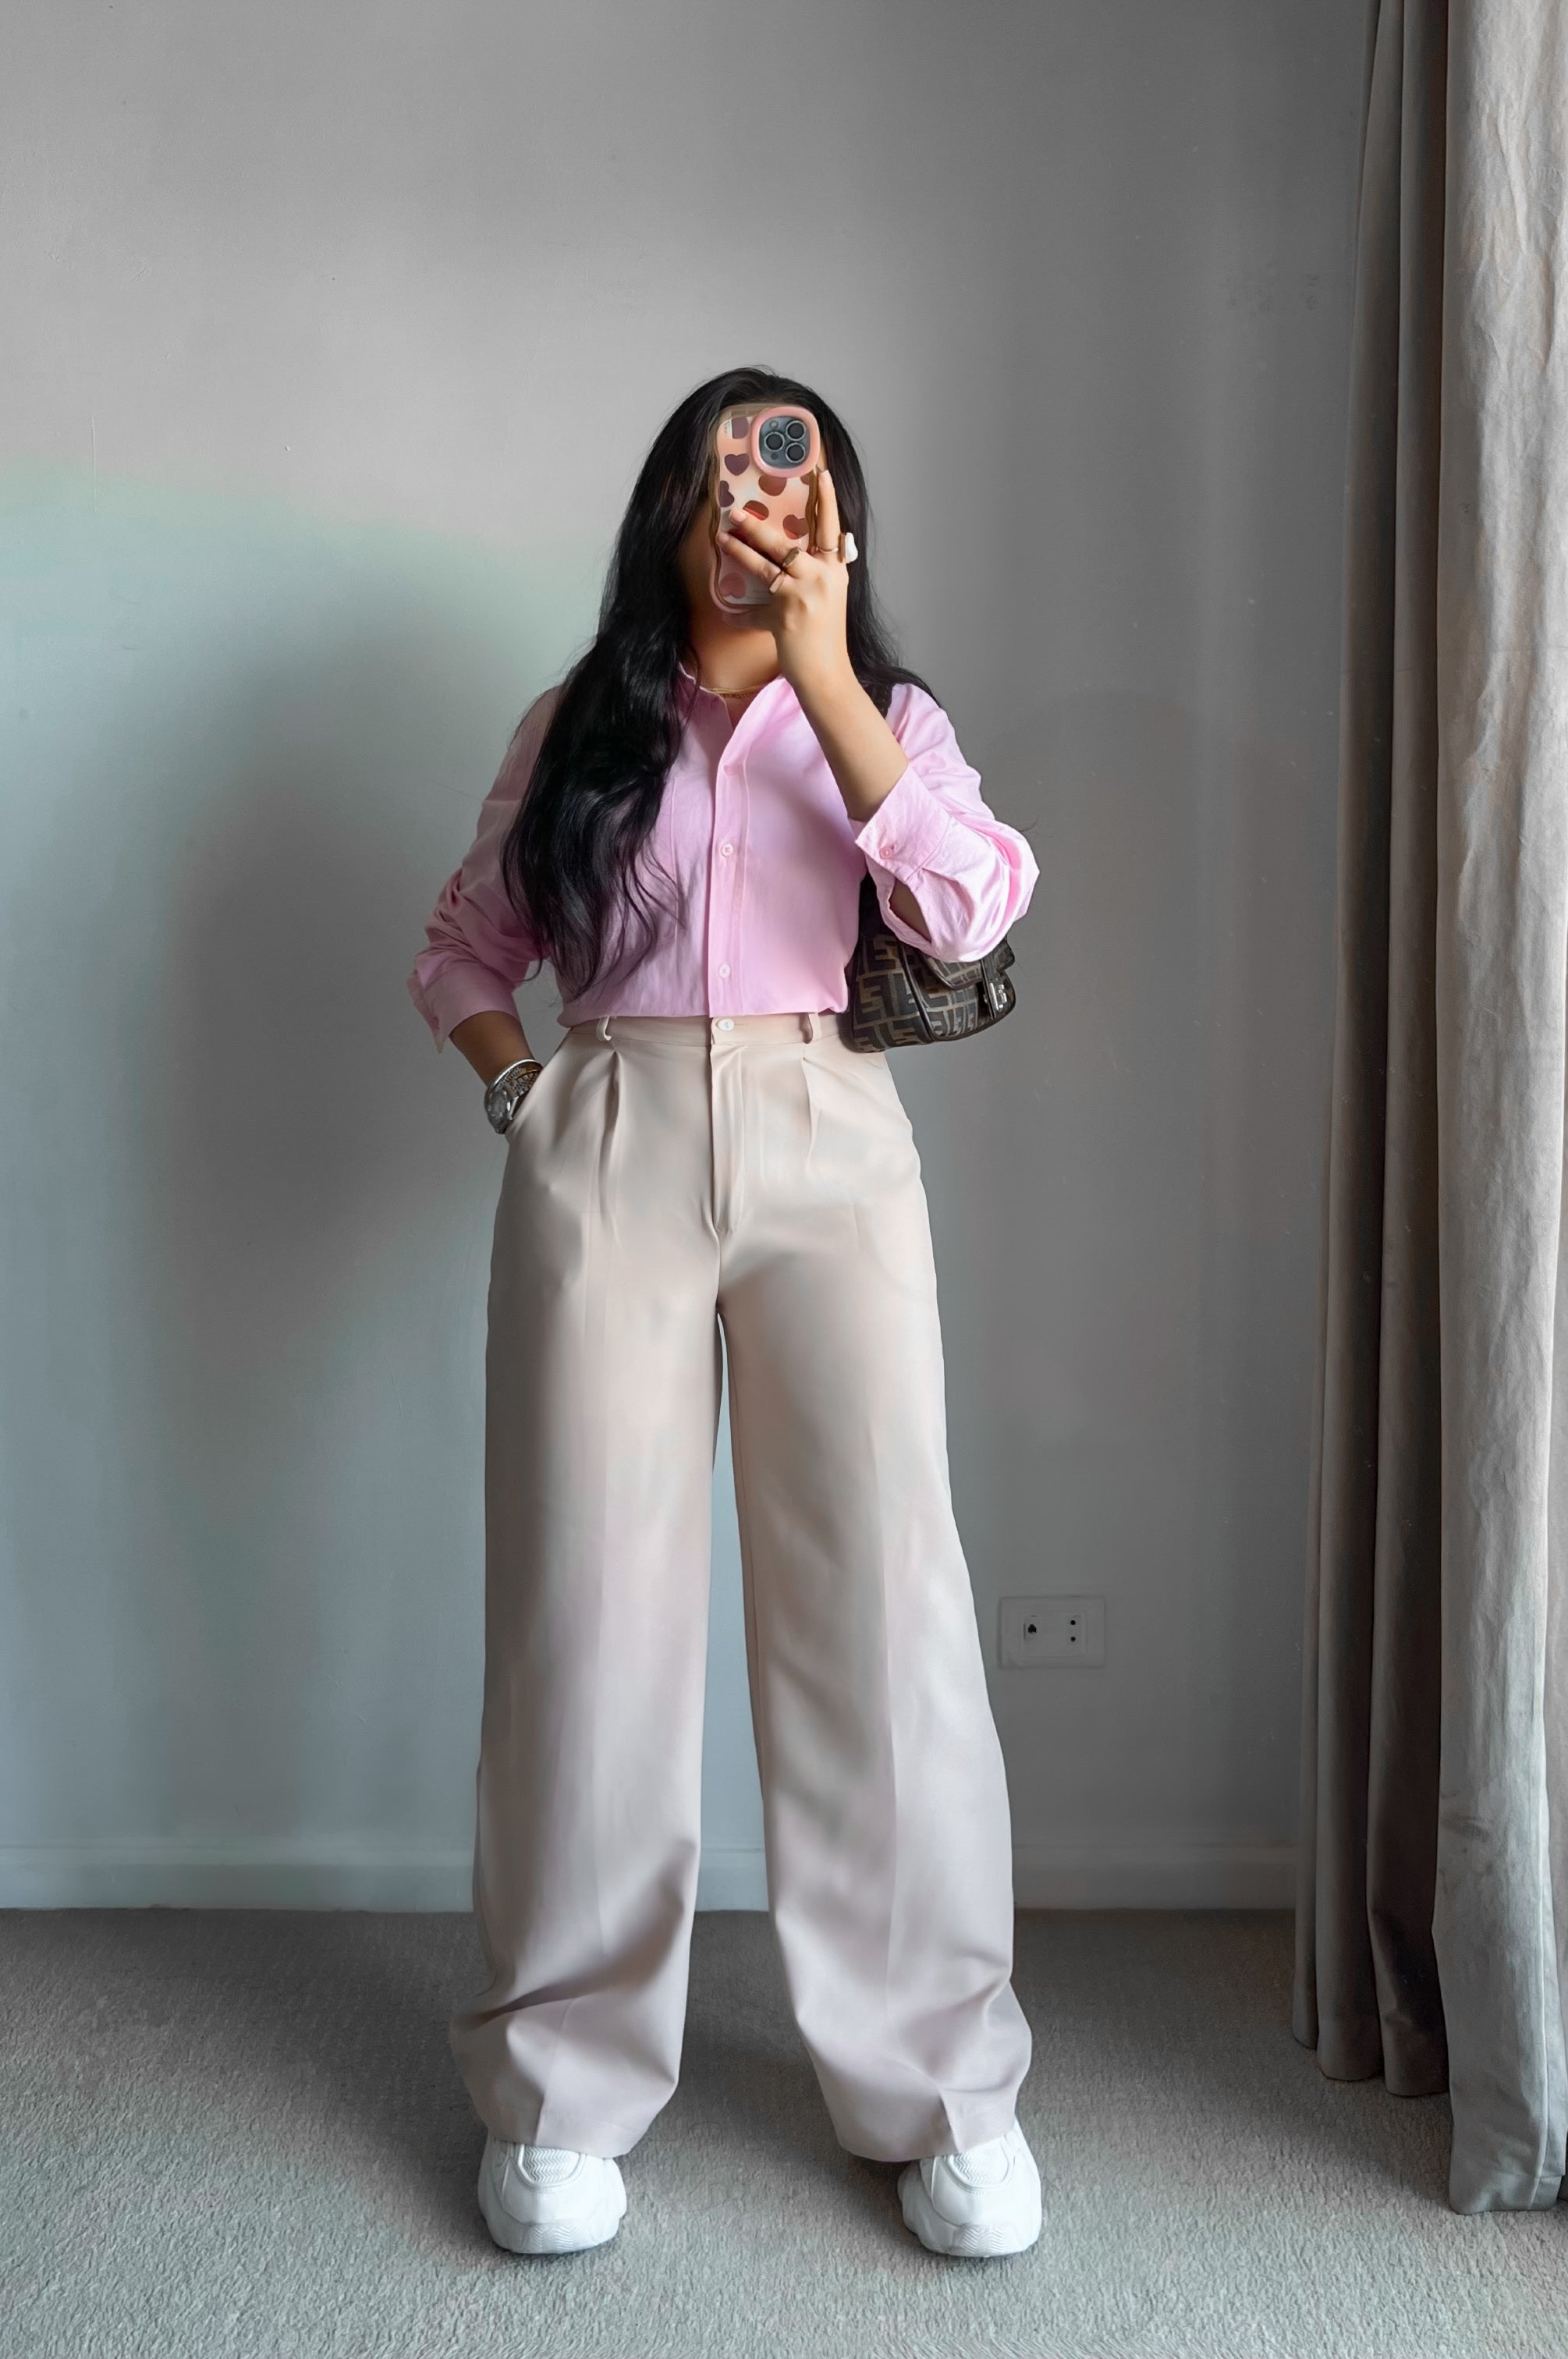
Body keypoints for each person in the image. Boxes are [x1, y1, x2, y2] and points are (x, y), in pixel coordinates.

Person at [406, 367, 1043, 2261]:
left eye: (789, 467)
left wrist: (827, 675)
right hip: (607, 1135)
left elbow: (971, 910)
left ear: (835, 515)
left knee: (883, 1608)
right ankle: (559, 2086)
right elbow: (460, 949)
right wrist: (527, 1096)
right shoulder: (579, 725)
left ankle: (939, 2085)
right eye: (716, 472)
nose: (751, 500)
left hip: (827, 1134)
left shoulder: (886, 720)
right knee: (586, 1606)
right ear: (667, 514)